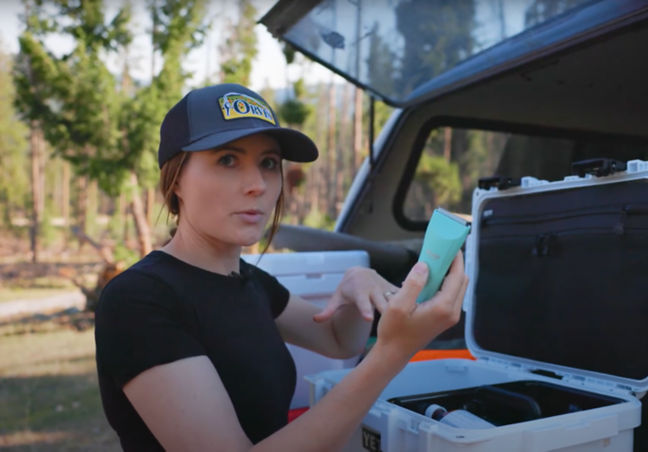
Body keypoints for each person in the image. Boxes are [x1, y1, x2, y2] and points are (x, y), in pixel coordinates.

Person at [94, 83, 468, 451]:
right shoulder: (138, 300)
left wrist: (359, 286)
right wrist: (392, 354)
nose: (258, 184)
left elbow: (339, 340)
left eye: (269, 163)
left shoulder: (250, 280)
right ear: (176, 180)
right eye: (227, 160)